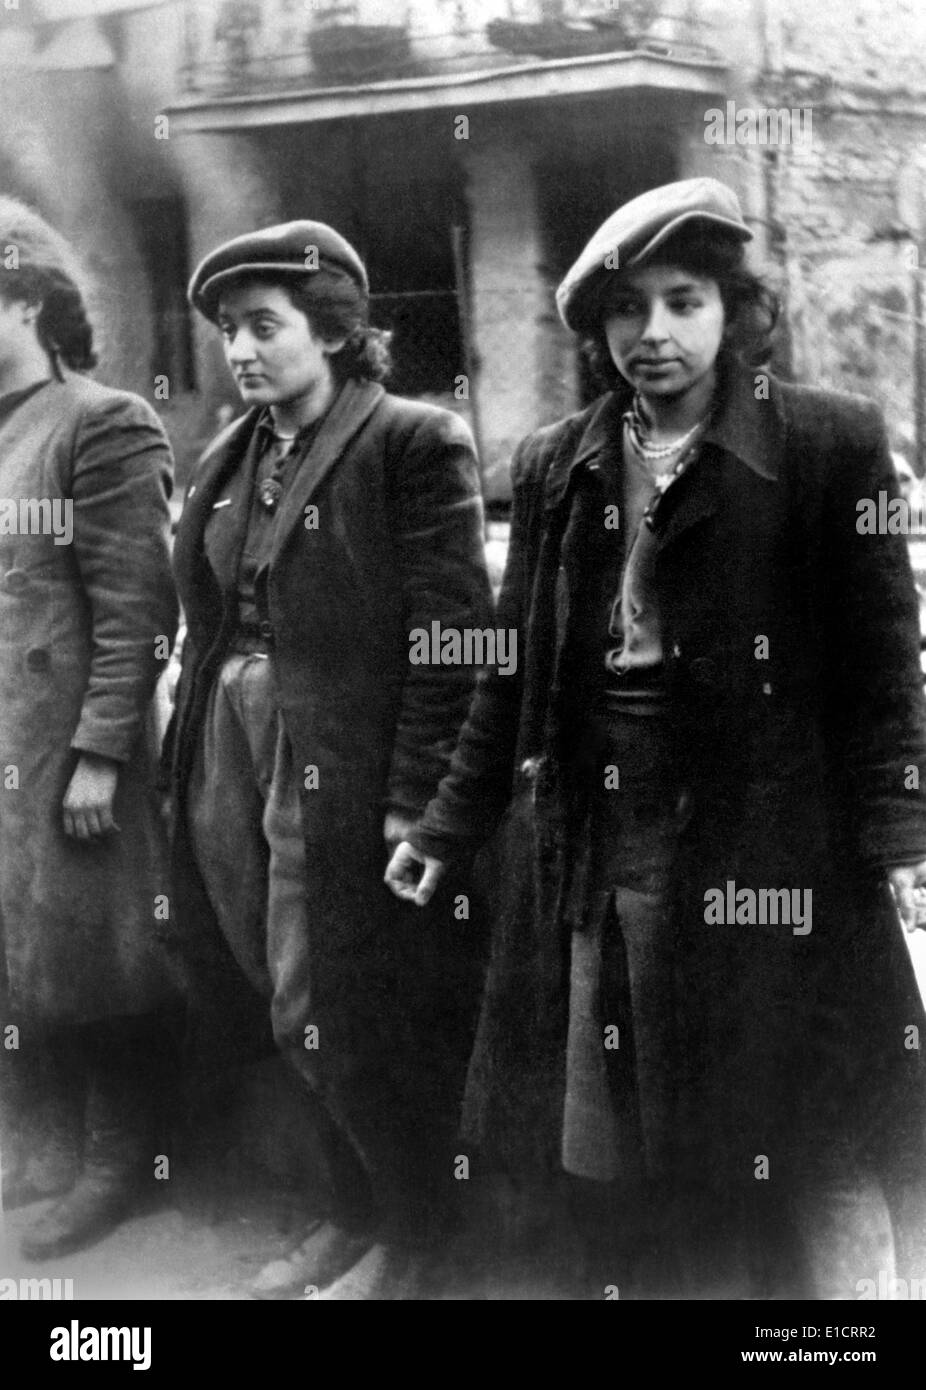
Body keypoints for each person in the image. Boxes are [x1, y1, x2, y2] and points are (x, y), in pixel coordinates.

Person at [386, 178, 926, 1299]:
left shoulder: (825, 445)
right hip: (592, 843)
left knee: (792, 1134)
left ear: (734, 309)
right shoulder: (555, 464)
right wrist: (446, 823)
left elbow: (882, 671)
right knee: (609, 1124)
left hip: (771, 849)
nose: (653, 335)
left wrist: (900, 836)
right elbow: (514, 669)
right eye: (624, 311)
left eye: (682, 301)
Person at [169, 221, 491, 1299]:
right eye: (227, 331)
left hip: (336, 758)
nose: (241, 350)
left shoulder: (411, 440)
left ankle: (412, 1236)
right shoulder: (235, 452)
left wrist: (411, 801)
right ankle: (348, 1212)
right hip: (229, 744)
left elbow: (453, 637)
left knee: (331, 1004)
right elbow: (208, 611)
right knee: (271, 989)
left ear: (337, 330)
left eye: (265, 326)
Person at [0, 198, 180, 1257]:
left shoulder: (100, 422)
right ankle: (51, 1150)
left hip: (71, 751)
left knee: (106, 954)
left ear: (25, 299)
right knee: (22, 955)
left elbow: (137, 607)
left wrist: (101, 753)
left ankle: (122, 1164)